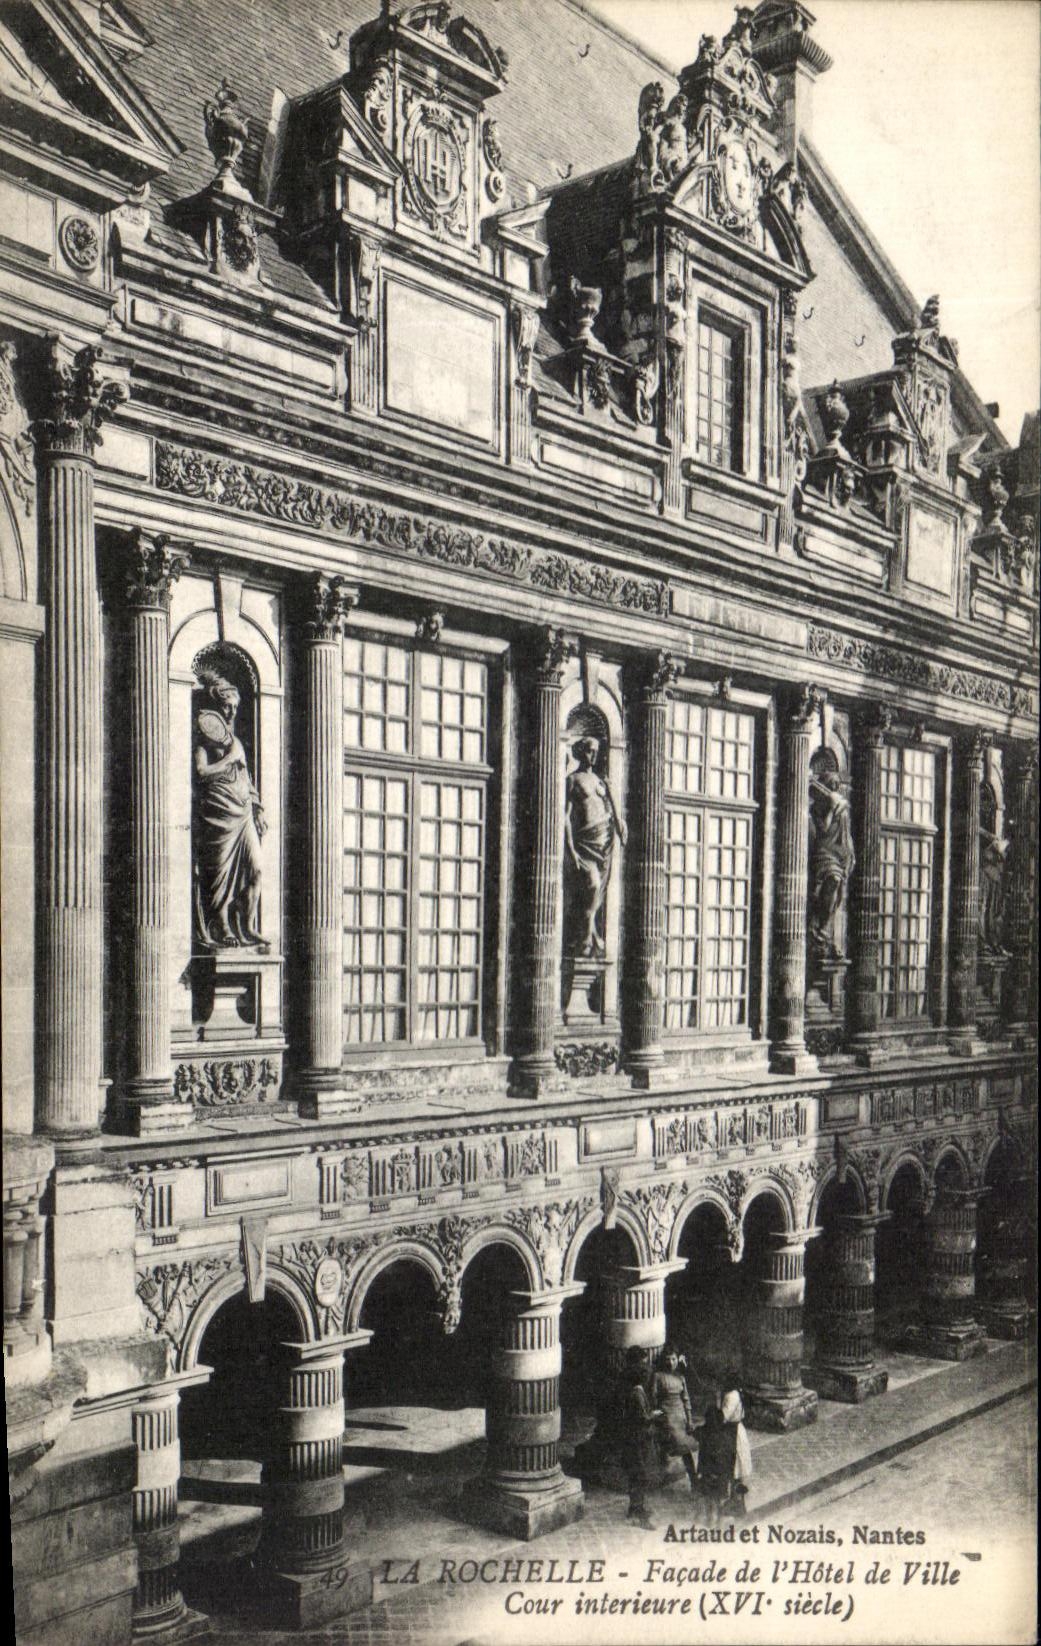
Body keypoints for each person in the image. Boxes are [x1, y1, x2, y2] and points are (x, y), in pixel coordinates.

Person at [193, 671, 266, 947]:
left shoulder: (234, 741)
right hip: (218, 812)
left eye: (236, 706)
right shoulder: (205, 739)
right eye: (228, 706)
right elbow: (201, 772)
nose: (232, 711)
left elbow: (246, 778)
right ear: (215, 706)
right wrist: (229, 760)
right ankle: (222, 925)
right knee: (220, 873)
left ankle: (247, 924)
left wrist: (257, 807)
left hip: (244, 812)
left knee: (256, 868)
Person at [563, 736, 626, 958]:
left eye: (597, 751)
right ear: (581, 752)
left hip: (604, 846)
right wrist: (570, 850)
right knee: (592, 885)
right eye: (590, 750)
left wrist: (619, 820)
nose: (594, 755)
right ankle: (584, 941)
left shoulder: (601, 782)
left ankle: (590, 938)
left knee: (597, 893)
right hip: (584, 845)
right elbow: (566, 818)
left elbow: (615, 817)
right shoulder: (573, 779)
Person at [809, 772, 855, 957]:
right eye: (832, 784)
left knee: (838, 895)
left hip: (840, 853)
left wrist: (850, 853)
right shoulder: (817, 808)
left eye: (837, 785)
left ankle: (823, 930)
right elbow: (824, 829)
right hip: (825, 851)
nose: (835, 787)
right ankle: (820, 929)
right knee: (833, 880)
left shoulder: (841, 805)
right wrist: (831, 807)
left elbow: (846, 833)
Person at [619, 1347, 661, 1530]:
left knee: (638, 1475)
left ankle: (636, 1508)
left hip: (635, 1439)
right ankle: (637, 1512)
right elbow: (641, 1417)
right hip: (637, 1440)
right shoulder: (636, 1393)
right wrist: (655, 1415)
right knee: (639, 1474)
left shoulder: (635, 1390)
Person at [650, 1345, 699, 1491]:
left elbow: (686, 1399)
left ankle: (694, 1480)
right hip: (667, 1417)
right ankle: (660, 1478)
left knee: (685, 1448)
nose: (671, 1362)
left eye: (674, 1359)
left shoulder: (681, 1377)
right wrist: (659, 1416)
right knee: (672, 1446)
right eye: (668, 1359)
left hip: (681, 1417)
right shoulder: (658, 1376)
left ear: (678, 1359)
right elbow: (654, 1398)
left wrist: (689, 1420)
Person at [694, 1398, 735, 1524]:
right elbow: (731, 1458)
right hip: (722, 1476)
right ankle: (717, 1518)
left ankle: (708, 1517)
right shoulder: (726, 1436)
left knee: (708, 1497)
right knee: (717, 1498)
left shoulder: (703, 1433)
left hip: (707, 1475)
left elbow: (694, 1432)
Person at [720, 1388, 753, 1516]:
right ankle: (736, 1502)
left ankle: (738, 1504)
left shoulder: (730, 1396)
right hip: (736, 1431)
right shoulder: (736, 1393)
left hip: (732, 1434)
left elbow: (724, 1417)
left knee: (734, 1467)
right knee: (736, 1469)